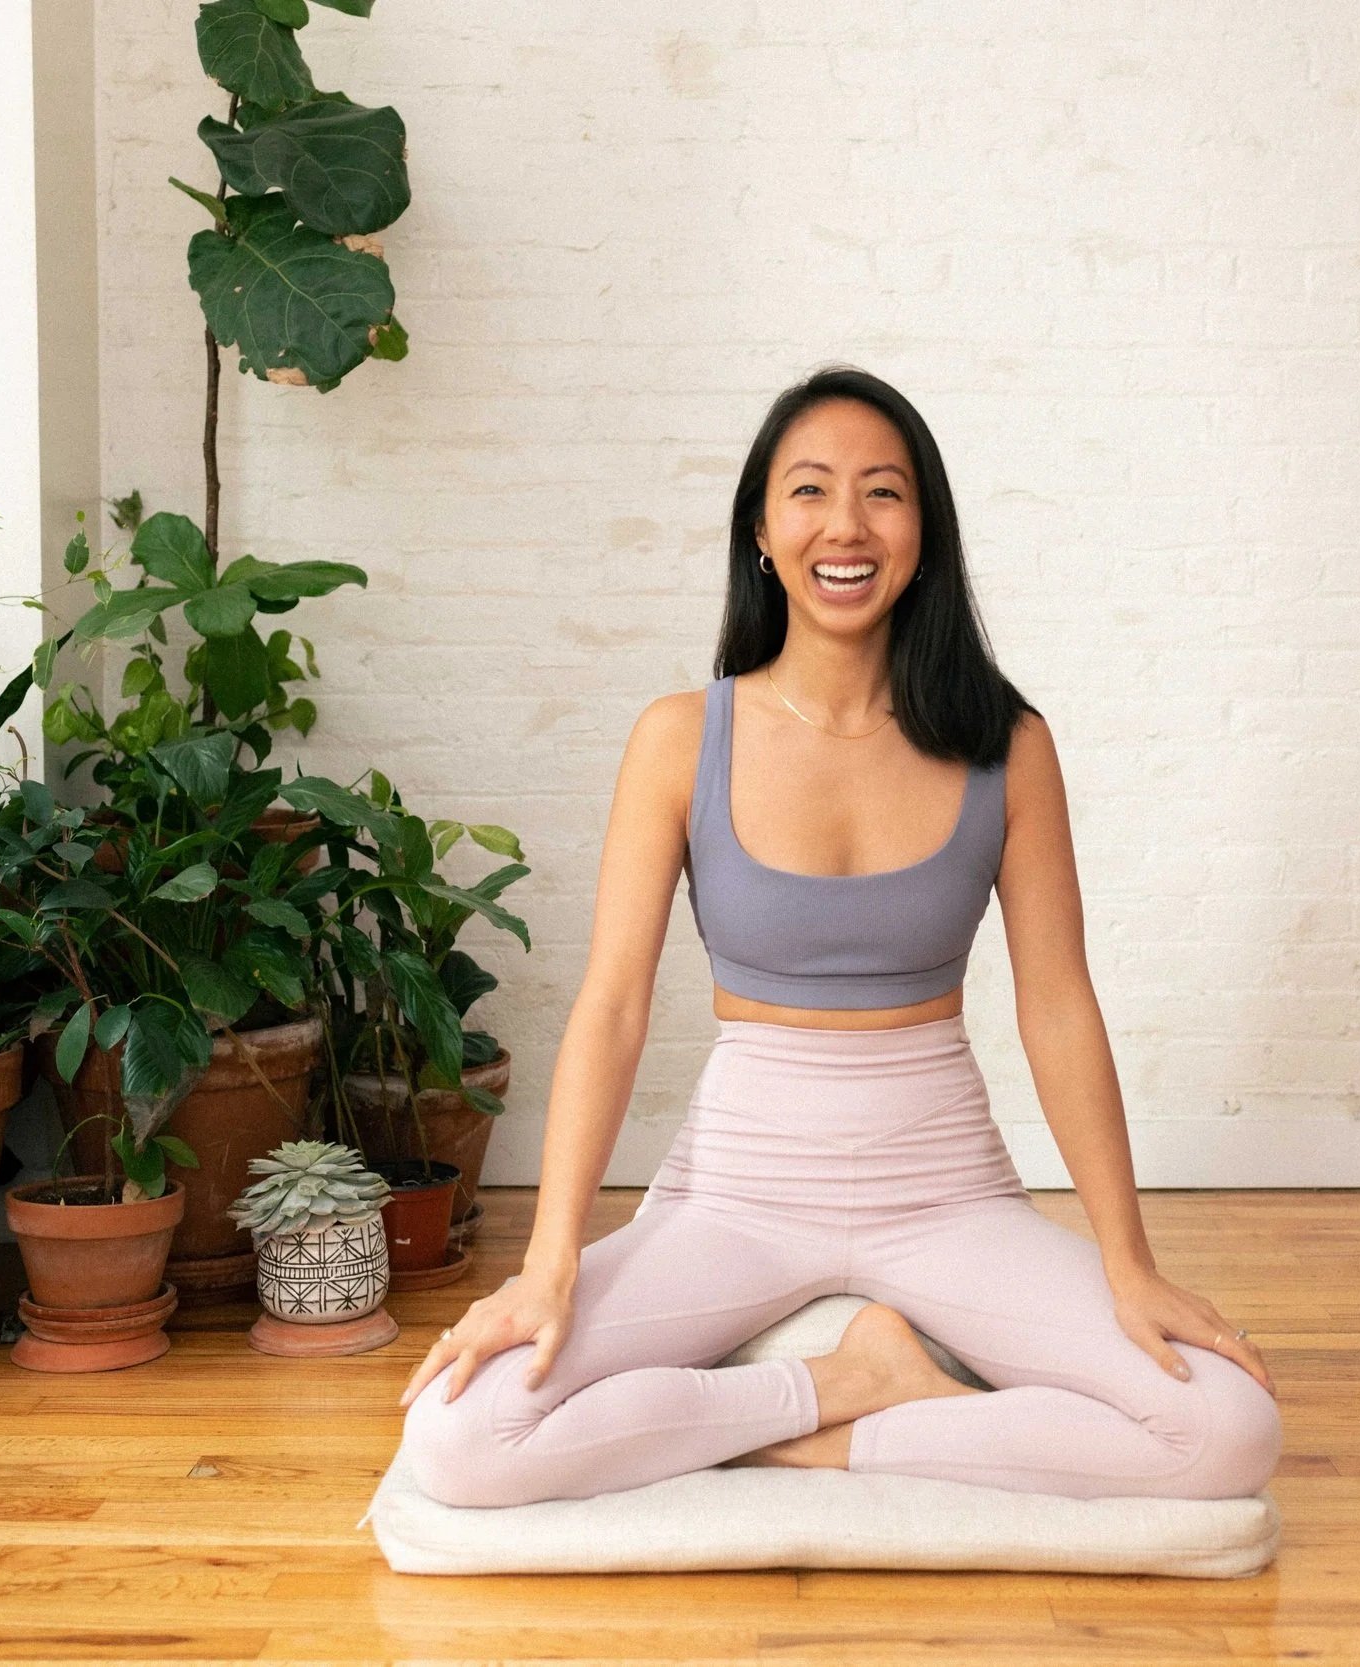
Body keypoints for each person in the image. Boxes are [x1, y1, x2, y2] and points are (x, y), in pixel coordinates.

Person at [394, 365, 1282, 1508]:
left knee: (1224, 1429)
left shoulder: (1006, 743)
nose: (846, 526)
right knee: (462, 1437)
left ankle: (816, 1430)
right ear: (762, 529)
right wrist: (548, 1262)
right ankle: (839, 1383)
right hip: (737, 1195)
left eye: (883, 493)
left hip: (948, 1193)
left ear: (924, 529)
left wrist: (1129, 1261)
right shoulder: (679, 737)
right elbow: (611, 1007)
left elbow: (1056, 1002)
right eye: (809, 490)